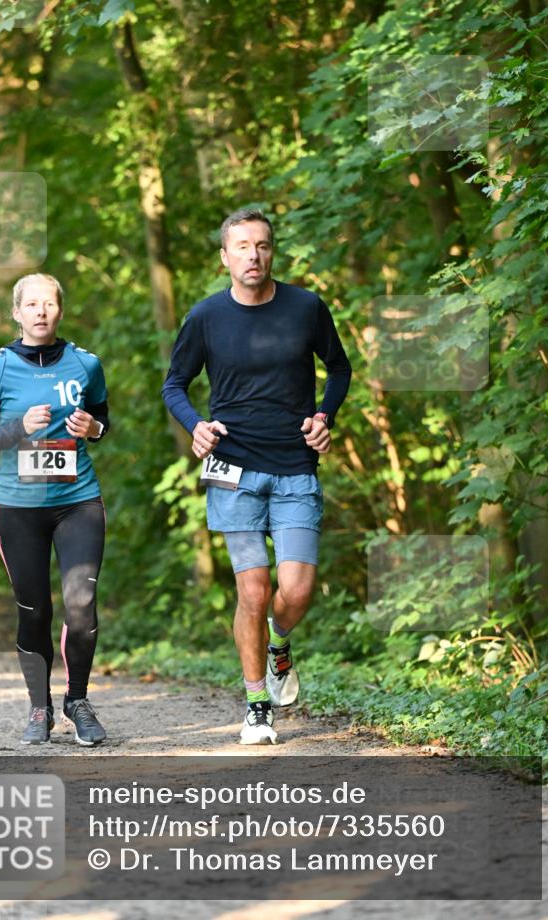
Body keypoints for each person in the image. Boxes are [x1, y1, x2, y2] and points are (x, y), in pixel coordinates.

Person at [162, 208, 352, 744]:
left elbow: (339, 369)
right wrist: (196, 426)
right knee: (253, 588)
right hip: (233, 468)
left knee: (295, 589)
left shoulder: (306, 308)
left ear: (273, 252)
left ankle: (280, 642)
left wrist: (324, 417)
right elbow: (175, 383)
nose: (253, 255)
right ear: (225, 256)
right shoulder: (205, 317)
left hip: (295, 465)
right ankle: (257, 705)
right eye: (242, 246)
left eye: (263, 245)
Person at [0, 273, 110, 747]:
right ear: (17, 312)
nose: (41, 311)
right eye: (32, 304)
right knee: (34, 611)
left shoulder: (86, 364)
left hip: (78, 503)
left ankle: (77, 701)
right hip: (19, 509)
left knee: (81, 605)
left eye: (49, 303)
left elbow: (102, 423)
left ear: (60, 309)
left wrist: (93, 429)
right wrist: (16, 427)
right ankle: (39, 708)